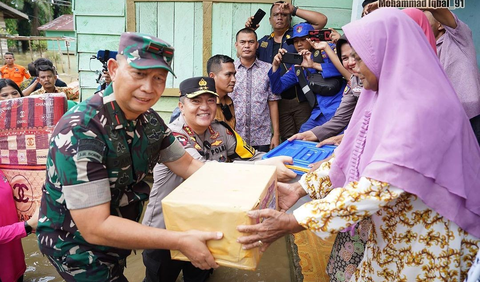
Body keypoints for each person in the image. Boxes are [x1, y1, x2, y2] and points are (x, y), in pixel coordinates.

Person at [237, 8, 480, 281]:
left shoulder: (424, 107)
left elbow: (378, 185)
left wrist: (297, 220)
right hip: (391, 234)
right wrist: (301, 188)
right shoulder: (381, 96)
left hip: (429, 241)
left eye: (359, 57)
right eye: (348, 57)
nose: (351, 65)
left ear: (389, 54)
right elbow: (352, 151)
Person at [36, 32, 223, 282]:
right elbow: (96, 227)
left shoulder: (149, 120)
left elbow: (188, 165)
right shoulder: (81, 129)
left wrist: (259, 173)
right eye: (139, 74)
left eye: (159, 78)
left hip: (118, 237)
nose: (149, 87)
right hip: (76, 247)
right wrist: (180, 239)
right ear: (113, 69)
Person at [142, 76, 295, 282]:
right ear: (181, 105)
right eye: (196, 101)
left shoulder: (222, 131)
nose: (204, 107)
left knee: (201, 277)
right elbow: (204, 173)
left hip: (206, 225)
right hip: (166, 230)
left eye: (210, 100)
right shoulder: (172, 137)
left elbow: (253, 156)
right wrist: (263, 168)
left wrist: (286, 161)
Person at [246, 1, 328, 141]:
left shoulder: (297, 36)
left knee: (307, 137)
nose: (279, 17)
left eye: (284, 14)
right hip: (278, 101)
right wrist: (249, 31)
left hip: (303, 100)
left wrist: (294, 9)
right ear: (270, 19)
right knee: (288, 140)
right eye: (276, 14)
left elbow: (321, 21)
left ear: (289, 18)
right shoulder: (263, 42)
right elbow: (245, 53)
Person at [269, 22, 344, 134]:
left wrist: (314, 65)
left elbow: (345, 70)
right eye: (295, 41)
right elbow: (277, 88)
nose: (299, 44)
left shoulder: (328, 50)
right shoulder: (298, 67)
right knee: (302, 136)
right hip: (319, 113)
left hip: (339, 107)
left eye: (303, 39)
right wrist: (275, 66)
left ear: (312, 38)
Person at [288, 35, 361, 145]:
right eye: (345, 58)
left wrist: (342, 137)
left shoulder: (384, 81)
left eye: (355, 57)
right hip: (321, 114)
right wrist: (310, 134)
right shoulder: (354, 83)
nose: (350, 62)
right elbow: (339, 120)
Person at [423, 8, 480, 144]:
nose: (421, 25)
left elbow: (435, 7)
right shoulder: (424, 50)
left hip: (470, 117)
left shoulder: (460, 37)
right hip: (443, 119)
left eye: (425, 20)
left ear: (441, 24)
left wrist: (385, 3)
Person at [230, 28, 280, 152]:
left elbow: (273, 102)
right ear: (236, 45)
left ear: (257, 45)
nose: (247, 46)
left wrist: (276, 135)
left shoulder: (268, 69)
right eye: (242, 42)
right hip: (234, 137)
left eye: (251, 42)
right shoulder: (229, 70)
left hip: (261, 137)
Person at [169, 55, 237, 128]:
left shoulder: (228, 102)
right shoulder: (186, 109)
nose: (234, 79)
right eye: (228, 75)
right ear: (212, 76)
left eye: (234, 74)